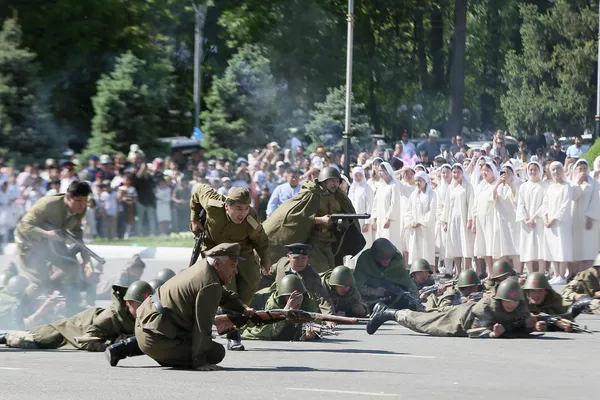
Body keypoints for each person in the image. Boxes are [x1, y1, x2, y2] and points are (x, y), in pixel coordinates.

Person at [122, 243, 252, 370]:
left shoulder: (204, 268)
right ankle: (155, 351)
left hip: (146, 326)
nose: (235, 271)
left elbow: (224, 296)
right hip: (155, 338)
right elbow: (202, 326)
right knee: (216, 352)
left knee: (199, 344)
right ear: (217, 264)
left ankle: (126, 347)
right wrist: (200, 362)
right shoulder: (209, 284)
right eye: (232, 265)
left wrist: (244, 309)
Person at [190, 185, 270, 350]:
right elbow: (197, 192)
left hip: (242, 249)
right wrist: (194, 219)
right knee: (228, 287)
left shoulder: (250, 219)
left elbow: (261, 240)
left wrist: (265, 260)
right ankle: (233, 335)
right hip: (215, 248)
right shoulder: (212, 204)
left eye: (246, 208)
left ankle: (233, 314)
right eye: (238, 208)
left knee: (251, 283)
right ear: (227, 205)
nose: (242, 213)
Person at [263, 167, 364, 274]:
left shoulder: (339, 196)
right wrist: (320, 220)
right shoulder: (311, 194)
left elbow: (344, 213)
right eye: (332, 181)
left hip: (329, 242)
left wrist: (341, 222)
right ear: (324, 181)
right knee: (324, 272)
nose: (335, 184)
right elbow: (296, 218)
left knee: (334, 270)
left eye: (337, 181)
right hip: (312, 242)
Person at [14, 181, 94, 315]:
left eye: (85, 200)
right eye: (79, 200)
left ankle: (71, 310)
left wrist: (86, 260)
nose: (82, 205)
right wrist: (46, 234)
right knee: (39, 283)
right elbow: (24, 226)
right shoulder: (47, 204)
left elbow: (77, 233)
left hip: (52, 243)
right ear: (68, 197)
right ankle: (18, 310)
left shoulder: (80, 209)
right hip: (29, 243)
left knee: (72, 267)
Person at [1, 281, 152, 351]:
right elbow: (86, 341)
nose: (143, 310)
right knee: (30, 340)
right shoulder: (109, 317)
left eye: (146, 305)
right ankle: (5, 336)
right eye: (139, 306)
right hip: (70, 330)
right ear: (127, 303)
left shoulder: (148, 315)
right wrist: (112, 344)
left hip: (86, 325)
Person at [367, 279, 545, 338]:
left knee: (426, 316)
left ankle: (384, 311)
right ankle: (388, 313)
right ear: (499, 299)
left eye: (514, 302)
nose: (511, 305)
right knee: (422, 322)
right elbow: (474, 331)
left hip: (460, 314)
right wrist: (492, 332)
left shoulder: (521, 308)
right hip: (459, 319)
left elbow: (519, 324)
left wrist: (534, 326)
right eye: (506, 301)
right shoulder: (486, 307)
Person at [257, 243, 333, 315]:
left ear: (307, 259)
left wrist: (330, 318)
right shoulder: (281, 264)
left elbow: (323, 298)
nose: (300, 262)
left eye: (303, 258)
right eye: (296, 258)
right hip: (275, 303)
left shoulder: (312, 276)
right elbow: (266, 277)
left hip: (299, 309)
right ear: (288, 257)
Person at [241, 274, 320, 341]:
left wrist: (307, 335)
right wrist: (286, 310)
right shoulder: (274, 303)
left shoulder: (308, 302)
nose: (295, 299)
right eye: (289, 296)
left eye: (299, 295)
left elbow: (311, 325)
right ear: (282, 296)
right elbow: (272, 331)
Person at [353, 238, 417, 310]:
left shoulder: (396, 261)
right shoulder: (365, 260)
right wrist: (373, 291)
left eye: (389, 258)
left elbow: (409, 284)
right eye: (383, 259)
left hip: (393, 300)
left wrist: (415, 300)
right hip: (369, 301)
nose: (387, 261)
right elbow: (355, 286)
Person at [440, 164, 475, 276]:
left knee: (466, 246)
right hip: (453, 220)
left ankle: (466, 271)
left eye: (458, 172)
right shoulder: (451, 188)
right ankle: (458, 272)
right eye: (454, 172)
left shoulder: (468, 187)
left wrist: (470, 219)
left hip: (464, 220)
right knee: (455, 246)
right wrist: (445, 222)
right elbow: (447, 206)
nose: (456, 175)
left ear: (462, 173)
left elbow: (471, 204)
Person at [542, 162, 572, 285]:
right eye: (553, 169)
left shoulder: (566, 186)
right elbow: (545, 204)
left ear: (562, 170)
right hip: (550, 224)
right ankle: (556, 274)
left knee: (561, 248)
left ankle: (562, 276)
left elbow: (565, 206)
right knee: (552, 248)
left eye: (558, 169)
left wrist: (553, 219)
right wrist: (545, 218)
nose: (555, 172)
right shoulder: (550, 187)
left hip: (561, 223)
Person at [570, 159, 600, 276]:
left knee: (589, 250)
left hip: (590, 220)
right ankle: (579, 275)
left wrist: (590, 217)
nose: (582, 171)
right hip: (576, 219)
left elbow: (596, 201)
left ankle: (590, 275)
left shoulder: (594, 183)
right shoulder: (572, 183)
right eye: (580, 169)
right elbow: (573, 197)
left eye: (584, 169)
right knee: (578, 250)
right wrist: (578, 182)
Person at [516, 162, 547, 274]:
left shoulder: (544, 186)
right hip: (526, 223)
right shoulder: (523, 187)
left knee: (541, 247)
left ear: (540, 171)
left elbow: (545, 204)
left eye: (535, 169)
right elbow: (520, 204)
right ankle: (530, 273)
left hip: (539, 221)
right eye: (530, 169)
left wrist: (534, 217)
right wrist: (526, 219)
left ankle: (541, 272)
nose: (533, 172)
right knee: (527, 246)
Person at [492, 163, 521, 271]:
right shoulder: (498, 186)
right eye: (503, 173)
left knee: (515, 247)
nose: (506, 175)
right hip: (502, 219)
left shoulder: (518, 184)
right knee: (503, 247)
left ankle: (518, 271)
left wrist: (510, 184)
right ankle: (506, 272)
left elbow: (517, 198)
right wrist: (498, 183)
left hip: (513, 220)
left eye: (508, 173)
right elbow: (493, 198)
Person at [405, 171, 436, 266]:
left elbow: (431, 212)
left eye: (419, 181)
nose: (417, 183)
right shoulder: (413, 195)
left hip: (425, 228)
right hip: (414, 228)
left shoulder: (432, 194)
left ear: (425, 181)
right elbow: (408, 211)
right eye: (416, 181)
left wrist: (420, 222)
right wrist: (411, 222)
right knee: (415, 252)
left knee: (426, 252)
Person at [371, 162, 401, 248]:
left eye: (382, 171)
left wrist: (388, 219)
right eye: (379, 171)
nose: (380, 173)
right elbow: (375, 204)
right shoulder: (381, 186)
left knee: (390, 241)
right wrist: (374, 220)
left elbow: (394, 204)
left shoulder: (394, 185)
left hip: (390, 221)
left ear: (387, 171)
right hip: (380, 219)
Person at [348, 166, 374, 251]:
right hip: (353, 221)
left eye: (360, 175)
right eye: (356, 175)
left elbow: (370, 205)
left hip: (363, 221)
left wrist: (367, 222)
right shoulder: (352, 188)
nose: (358, 177)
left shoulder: (367, 188)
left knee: (364, 243)